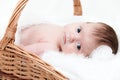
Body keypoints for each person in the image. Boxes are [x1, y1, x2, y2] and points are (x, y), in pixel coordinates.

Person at [19, 22, 118, 57]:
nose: (72, 37)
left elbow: (21, 52)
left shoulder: (50, 48)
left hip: (10, 39)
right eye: (78, 30)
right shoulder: (60, 27)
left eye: (78, 46)